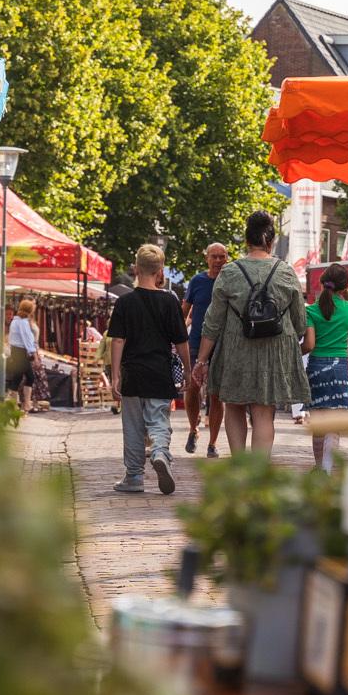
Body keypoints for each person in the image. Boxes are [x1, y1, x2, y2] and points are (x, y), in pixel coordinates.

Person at [191, 211, 312, 457]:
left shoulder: (229, 272)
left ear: (246, 240)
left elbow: (212, 321)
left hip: (235, 349)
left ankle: (239, 467)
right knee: (264, 412)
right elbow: (300, 323)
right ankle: (258, 474)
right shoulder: (286, 272)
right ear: (271, 241)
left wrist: (201, 360)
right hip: (273, 352)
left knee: (234, 406)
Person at [107, 244, 190, 496]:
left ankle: (133, 477)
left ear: (136, 268)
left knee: (133, 426)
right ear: (160, 270)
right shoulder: (169, 301)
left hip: (133, 373)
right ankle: (160, 452)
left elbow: (117, 340)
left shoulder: (124, 302)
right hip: (159, 373)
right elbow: (181, 340)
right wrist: (188, 369)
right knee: (158, 421)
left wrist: (115, 375)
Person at [305, 262, 348, 470]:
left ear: (322, 283)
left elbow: (309, 345)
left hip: (316, 367)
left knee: (318, 422)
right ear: (344, 287)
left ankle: (318, 466)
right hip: (339, 367)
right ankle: (327, 469)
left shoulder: (311, 310)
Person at [183, 243, 228, 456]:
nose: (218, 260)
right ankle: (193, 429)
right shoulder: (197, 281)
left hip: (222, 344)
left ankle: (213, 443)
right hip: (196, 342)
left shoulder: (230, 281)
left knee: (216, 393)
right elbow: (184, 310)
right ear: (207, 258)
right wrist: (176, 335)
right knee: (192, 387)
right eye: (214, 257)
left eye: (222, 257)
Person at [6, 297, 41, 414]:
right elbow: (28, 340)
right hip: (21, 353)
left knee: (18, 378)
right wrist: (34, 356)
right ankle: (24, 404)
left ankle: (18, 405)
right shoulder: (22, 322)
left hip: (15, 352)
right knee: (28, 377)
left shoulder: (15, 321)